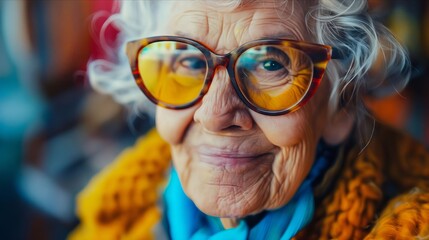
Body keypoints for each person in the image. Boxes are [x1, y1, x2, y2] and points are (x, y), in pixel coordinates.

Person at [69, 0, 429, 239]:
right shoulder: (114, 217)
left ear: (341, 106)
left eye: (271, 64)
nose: (214, 114)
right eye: (190, 61)